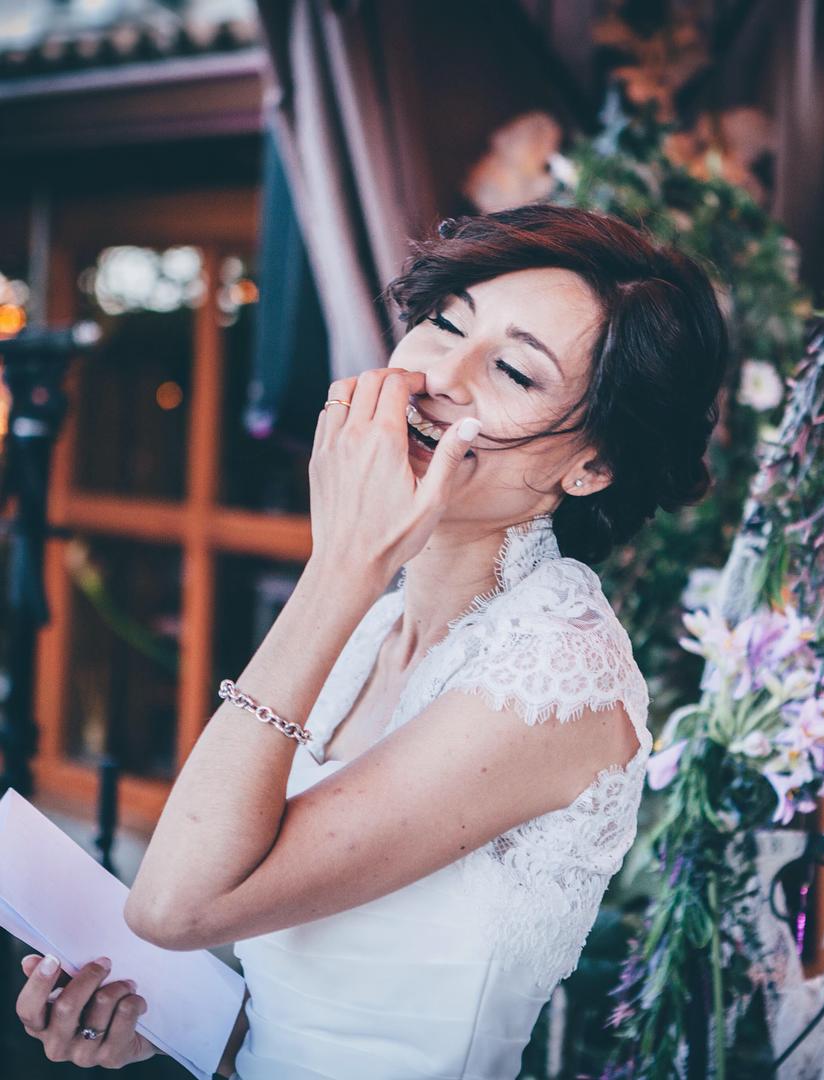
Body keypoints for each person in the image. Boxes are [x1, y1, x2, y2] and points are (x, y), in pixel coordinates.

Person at [15, 203, 727, 1078]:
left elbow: (174, 905)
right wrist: (167, 1016)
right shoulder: (379, 624)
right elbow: (306, 998)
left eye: (510, 369)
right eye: (442, 325)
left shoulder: (556, 669)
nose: (439, 378)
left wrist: (339, 563)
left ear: (590, 464)